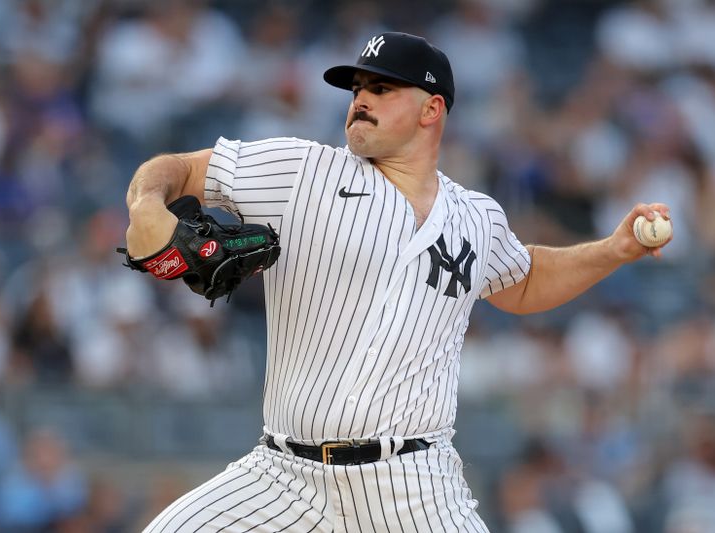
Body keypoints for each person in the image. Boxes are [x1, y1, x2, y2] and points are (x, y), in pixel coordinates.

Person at [124, 31, 672, 533]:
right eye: (357, 87)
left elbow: (525, 282)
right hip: (282, 478)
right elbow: (179, 166)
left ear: (432, 108)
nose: (360, 98)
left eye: (382, 88)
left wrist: (613, 250)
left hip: (412, 486)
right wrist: (147, 201)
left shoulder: (476, 217)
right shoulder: (304, 171)